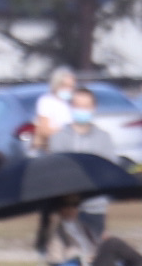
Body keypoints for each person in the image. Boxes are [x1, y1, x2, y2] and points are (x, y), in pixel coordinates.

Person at [47, 87, 116, 241]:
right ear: (71, 107)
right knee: (70, 253)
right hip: (66, 208)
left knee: (93, 253)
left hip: (95, 207)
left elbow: (108, 172)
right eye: (78, 106)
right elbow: (57, 172)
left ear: (93, 108)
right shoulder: (58, 138)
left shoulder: (104, 138)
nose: (82, 110)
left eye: (86, 107)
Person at [33, 67, 77, 152]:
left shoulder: (69, 104)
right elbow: (44, 129)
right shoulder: (46, 101)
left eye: (71, 86)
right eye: (65, 85)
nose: (69, 89)